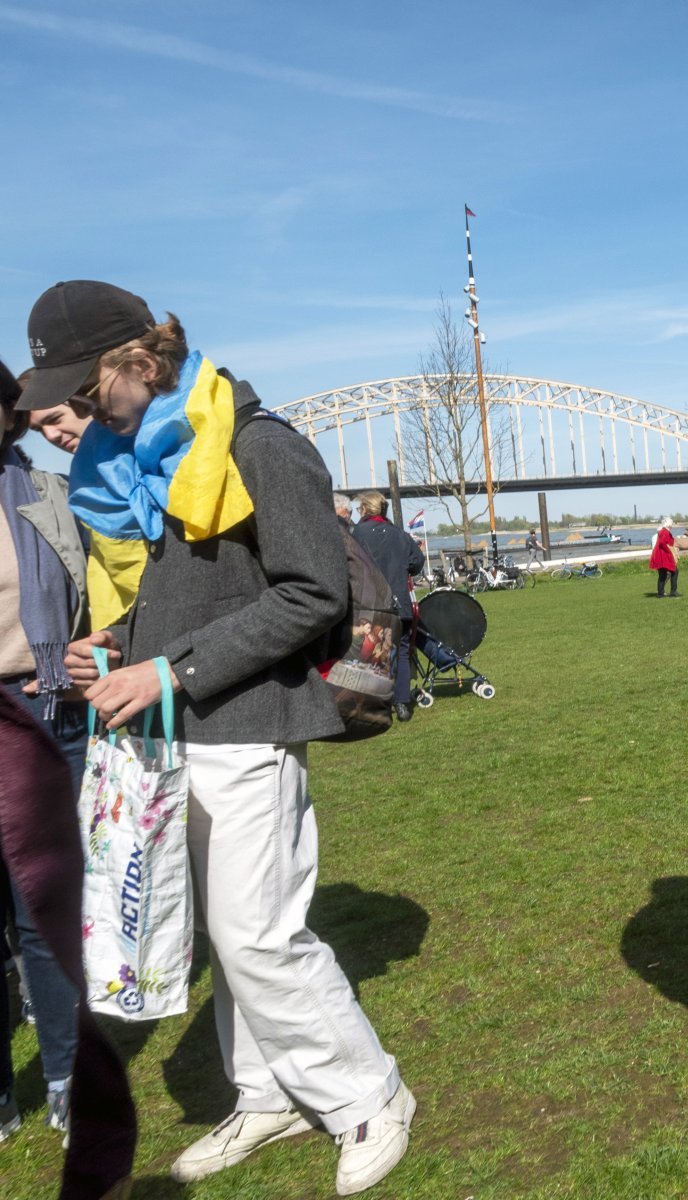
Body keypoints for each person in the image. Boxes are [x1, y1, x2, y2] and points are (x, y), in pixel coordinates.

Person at [25, 280, 416, 1195]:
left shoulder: (259, 446)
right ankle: (267, 1093)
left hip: (252, 727)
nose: (80, 413)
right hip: (184, 731)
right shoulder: (161, 456)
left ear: (139, 362)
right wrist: (116, 651)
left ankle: (368, 1094)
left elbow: (311, 593)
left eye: (85, 391)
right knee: (230, 934)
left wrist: (167, 671)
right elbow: (199, 602)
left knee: (257, 936)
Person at [0, 359, 84, 1146]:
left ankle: (63, 1072)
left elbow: (93, 594)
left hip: (39, 706)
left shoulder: (48, 495)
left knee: (42, 911)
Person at [350, 491, 425, 718]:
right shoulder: (400, 535)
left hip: (371, 606)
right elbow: (417, 562)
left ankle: (372, 705)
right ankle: (402, 705)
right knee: (401, 652)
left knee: (370, 655)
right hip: (399, 603)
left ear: (365, 509)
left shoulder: (356, 534)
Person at [649, 517, 680, 597]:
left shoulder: (663, 531)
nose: (672, 525)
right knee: (672, 572)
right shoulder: (665, 532)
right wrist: (669, 551)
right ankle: (670, 592)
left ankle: (662, 592)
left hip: (661, 554)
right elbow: (663, 543)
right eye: (671, 524)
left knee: (665, 573)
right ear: (668, 524)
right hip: (663, 555)